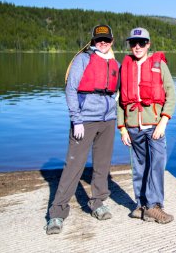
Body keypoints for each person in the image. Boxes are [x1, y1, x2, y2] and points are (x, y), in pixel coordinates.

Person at [45, 24, 120, 235]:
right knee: (74, 166)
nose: (102, 43)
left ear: (112, 41)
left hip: (108, 121)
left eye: (106, 40)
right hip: (85, 121)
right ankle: (57, 213)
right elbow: (70, 89)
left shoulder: (115, 63)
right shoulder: (83, 59)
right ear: (93, 41)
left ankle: (97, 203)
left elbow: (122, 91)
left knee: (102, 165)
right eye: (99, 40)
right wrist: (76, 119)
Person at [118, 27, 176, 224]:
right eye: (133, 43)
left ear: (148, 44)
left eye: (141, 43)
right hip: (133, 127)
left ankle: (155, 206)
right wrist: (122, 128)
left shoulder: (159, 65)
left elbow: (172, 96)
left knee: (157, 164)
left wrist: (163, 122)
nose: (137, 47)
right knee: (139, 167)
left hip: (155, 126)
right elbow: (120, 102)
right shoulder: (124, 67)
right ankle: (141, 205)